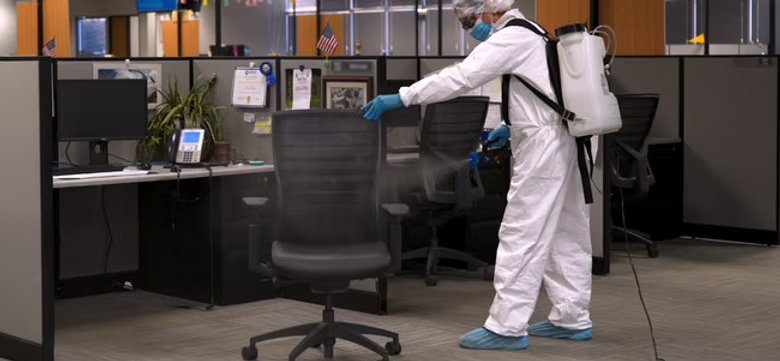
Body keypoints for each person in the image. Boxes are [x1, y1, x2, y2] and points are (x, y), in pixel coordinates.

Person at [361, 0, 593, 351]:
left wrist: (403, 97)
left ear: (490, 11)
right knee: (566, 231)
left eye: (471, 19)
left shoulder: (510, 39)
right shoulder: (535, 32)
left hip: (545, 145)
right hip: (567, 138)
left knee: (522, 230)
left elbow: (462, 77)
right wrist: (507, 125)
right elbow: (544, 90)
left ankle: (506, 327)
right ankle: (572, 318)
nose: (471, 27)